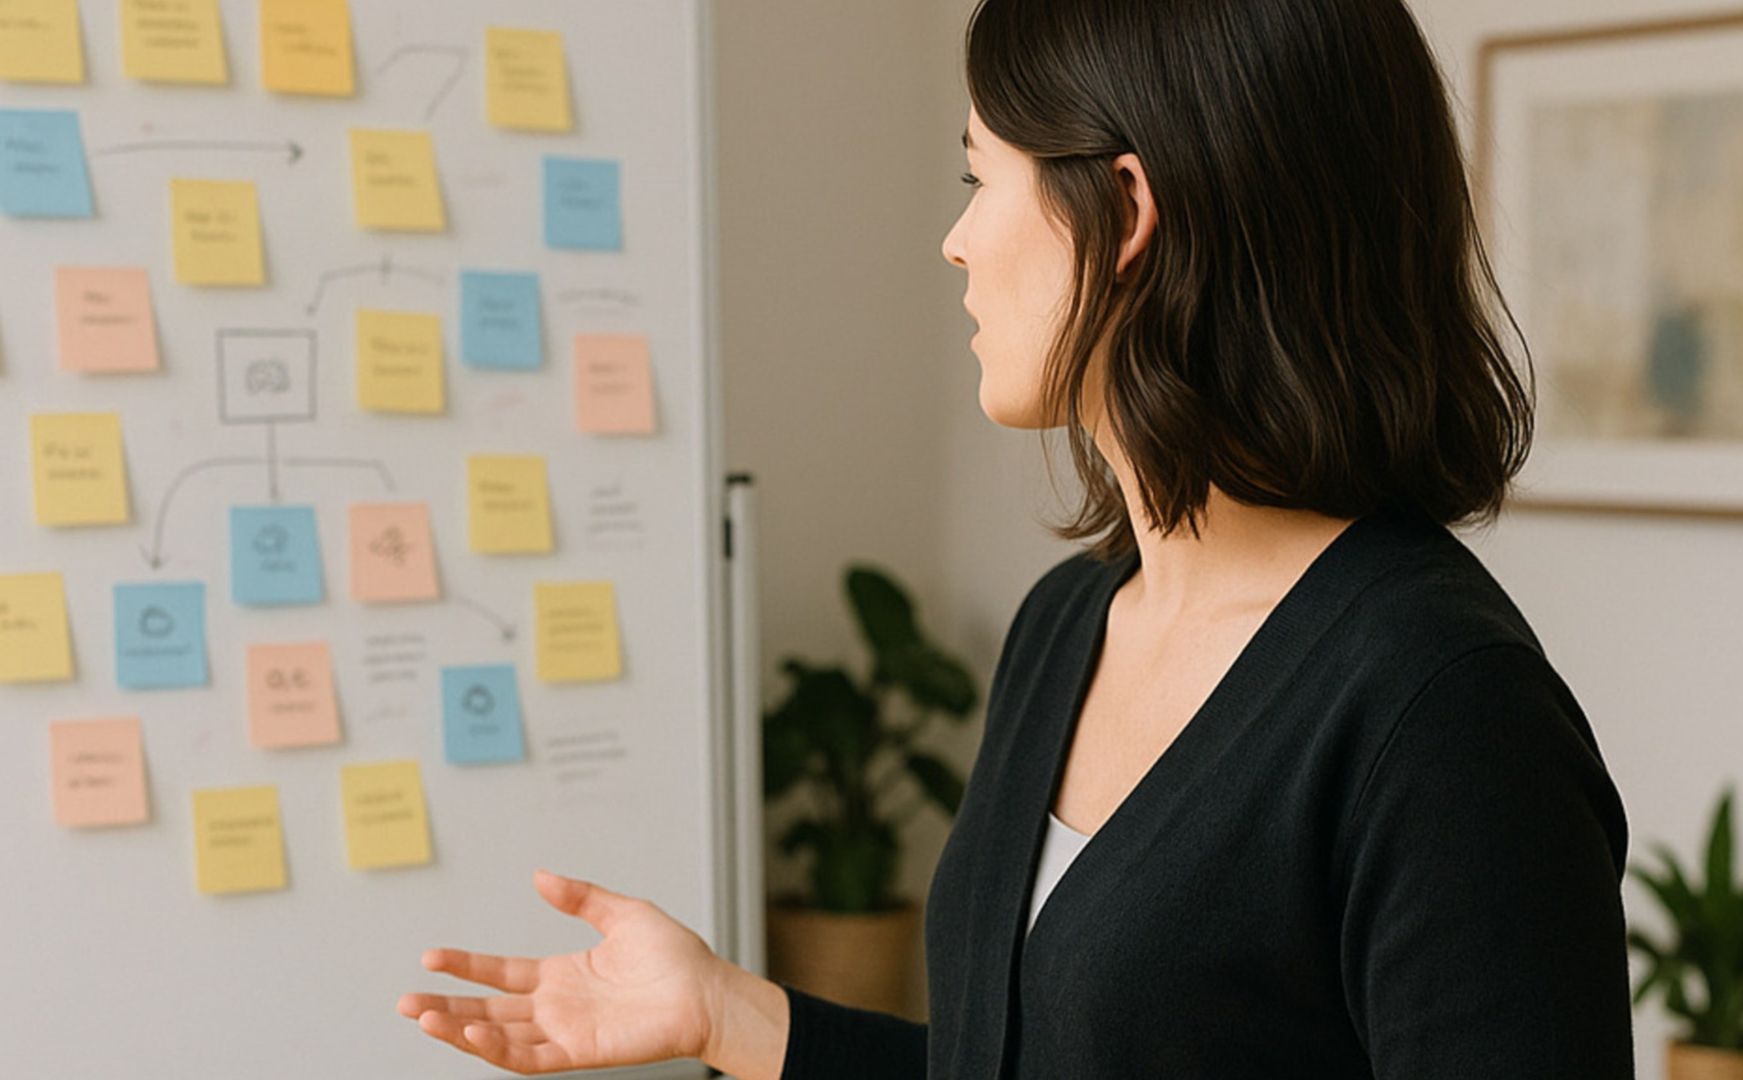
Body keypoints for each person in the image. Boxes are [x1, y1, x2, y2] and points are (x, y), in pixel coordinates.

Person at [396, 0, 1637, 1075]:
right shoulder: (1067, 624)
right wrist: (733, 1015)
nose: (956, 239)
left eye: (979, 178)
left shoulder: (1444, 715)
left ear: (1125, 208)